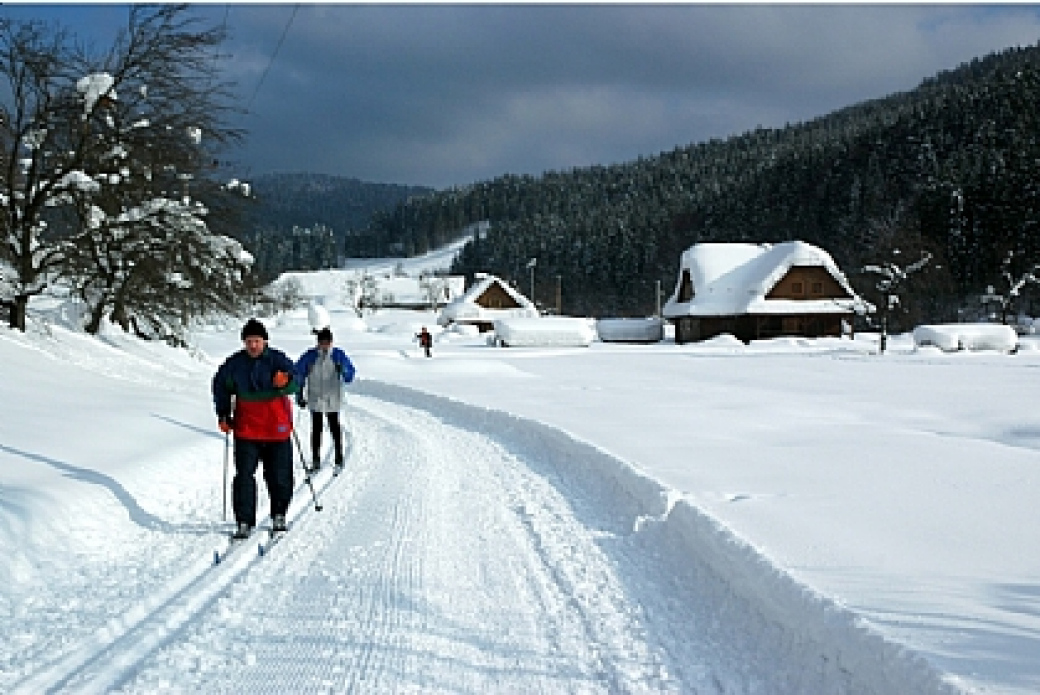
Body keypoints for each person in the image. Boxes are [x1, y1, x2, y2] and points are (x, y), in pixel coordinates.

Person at [212, 318, 298, 539]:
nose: (252, 346)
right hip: (246, 430)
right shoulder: (234, 365)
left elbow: (297, 381)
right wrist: (223, 414)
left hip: (276, 429)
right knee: (243, 477)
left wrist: (286, 381)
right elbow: (220, 386)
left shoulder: (278, 360)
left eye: (257, 341)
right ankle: (244, 520)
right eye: (249, 341)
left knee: (279, 475)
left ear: (265, 341)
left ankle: (279, 514)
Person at [295, 326, 356, 472]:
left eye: (327, 343)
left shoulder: (338, 355)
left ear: (331, 342)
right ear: (317, 343)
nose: (324, 346)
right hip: (315, 396)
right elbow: (298, 374)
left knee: (334, 427)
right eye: (321, 343)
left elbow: (350, 376)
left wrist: (344, 370)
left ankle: (339, 456)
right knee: (316, 429)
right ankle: (316, 459)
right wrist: (299, 394)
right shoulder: (310, 356)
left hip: (333, 396)